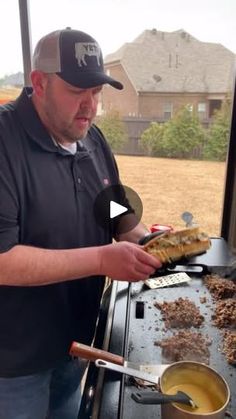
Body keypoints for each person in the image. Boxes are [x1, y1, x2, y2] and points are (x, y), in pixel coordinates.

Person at [0, 28, 161, 419]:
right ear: (39, 82)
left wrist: (146, 239)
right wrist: (102, 260)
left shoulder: (92, 139)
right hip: (14, 364)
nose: (90, 106)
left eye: (96, 92)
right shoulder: (4, 140)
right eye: (77, 91)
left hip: (76, 346)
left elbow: (112, 210)